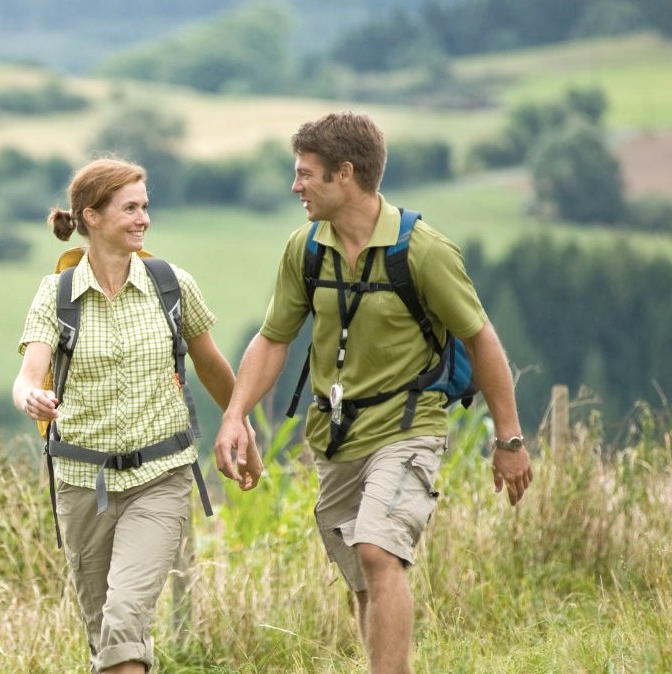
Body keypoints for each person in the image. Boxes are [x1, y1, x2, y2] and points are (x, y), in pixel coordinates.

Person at [212, 112, 534, 674]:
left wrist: (509, 438)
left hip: (409, 425)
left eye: (306, 174)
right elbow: (272, 340)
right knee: (364, 578)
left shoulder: (424, 251)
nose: (295, 187)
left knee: (377, 551)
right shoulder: (305, 249)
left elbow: (481, 339)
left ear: (346, 173)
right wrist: (235, 415)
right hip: (335, 435)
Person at [12, 157, 260, 674]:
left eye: (145, 206)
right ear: (92, 216)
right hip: (81, 483)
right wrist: (30, 396)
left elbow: (211, 365)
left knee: (124, 619)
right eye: (130, 208)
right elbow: (29, 373)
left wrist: (240, 422)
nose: (143, 218)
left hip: (160, 477)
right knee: (102, 632)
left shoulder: (172, 285)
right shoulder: (57, 295)